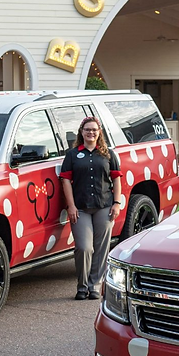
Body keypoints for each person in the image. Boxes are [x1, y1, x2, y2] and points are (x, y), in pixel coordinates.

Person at [59, 116, 123, 300]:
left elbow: (116, 179)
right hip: (80, 208)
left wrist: (117, 203)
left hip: (104, 206)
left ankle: (94, 285)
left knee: (101, 247)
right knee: (84, 247)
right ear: (82, 132)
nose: (91, 133)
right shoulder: (72, 155)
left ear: (99, 132)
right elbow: (65, 180)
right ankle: (82, 286)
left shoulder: (108, 154)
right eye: (87, 129)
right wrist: (71, 206)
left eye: (94, 130)